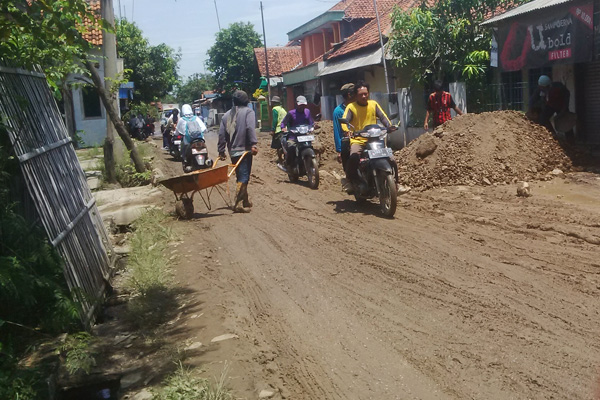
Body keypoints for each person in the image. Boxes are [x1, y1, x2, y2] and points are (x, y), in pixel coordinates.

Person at [341, 80, 394, 193]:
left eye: (366, 93)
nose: (364, 96)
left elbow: (383, 117)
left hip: (375, 138)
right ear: (356, 95)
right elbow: (345, 121)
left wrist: (389, 126)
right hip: (358, 139)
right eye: (361, 94)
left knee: (391, 158)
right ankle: (351, 180)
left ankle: (396, 183)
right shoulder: (351, 107)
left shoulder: (373, 104)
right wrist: (347, 131)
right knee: (354, 157)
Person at [218, 90, 258, 213]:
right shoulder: (248, 112)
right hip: (244, 150)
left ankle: (245, 200)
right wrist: (253, 144)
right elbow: (250, 128)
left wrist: (221, 150)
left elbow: (222, 134)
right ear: (246, 101)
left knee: (241, 175)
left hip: (233, 151)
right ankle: (238, 203)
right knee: (244, 176)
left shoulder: (227, 115)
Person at [280, 95, 314, 169]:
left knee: (314, 146)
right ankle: (289, 165)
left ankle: (311, 163)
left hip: (305, 136)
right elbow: (283, 123)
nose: (302, 107)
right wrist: (283, 128)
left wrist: (313, 126)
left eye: (303, 105)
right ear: (296, 104)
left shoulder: (307, 112)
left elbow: (311, 122)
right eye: (300, 105)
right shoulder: (291, 113)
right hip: (293, 137)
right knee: (291, 147)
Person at [176, 104, 207, 172]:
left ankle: (186, 163)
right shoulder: (196, 118)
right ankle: (207, 161)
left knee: (183, 151)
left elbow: (177, 131)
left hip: (188, 142)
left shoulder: (181, 119)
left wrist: (176, 134)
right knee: (205, 150)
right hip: (200, 140)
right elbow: (204, 129)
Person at [333, 83, 355, 165]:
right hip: (348, 142)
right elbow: (337, 131)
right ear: (349, 95)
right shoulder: (338, 111)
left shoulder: (360, 106)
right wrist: (339, 150)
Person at [270, 96, 287, 163]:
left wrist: (272, 129)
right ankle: (286, 158)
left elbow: (275, 120)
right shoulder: (283, 110)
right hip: (285, 130)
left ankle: (280, 159)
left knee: (278, 146)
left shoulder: (275, 109)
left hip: (278, 130)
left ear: (274, 103)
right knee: (285, 145)